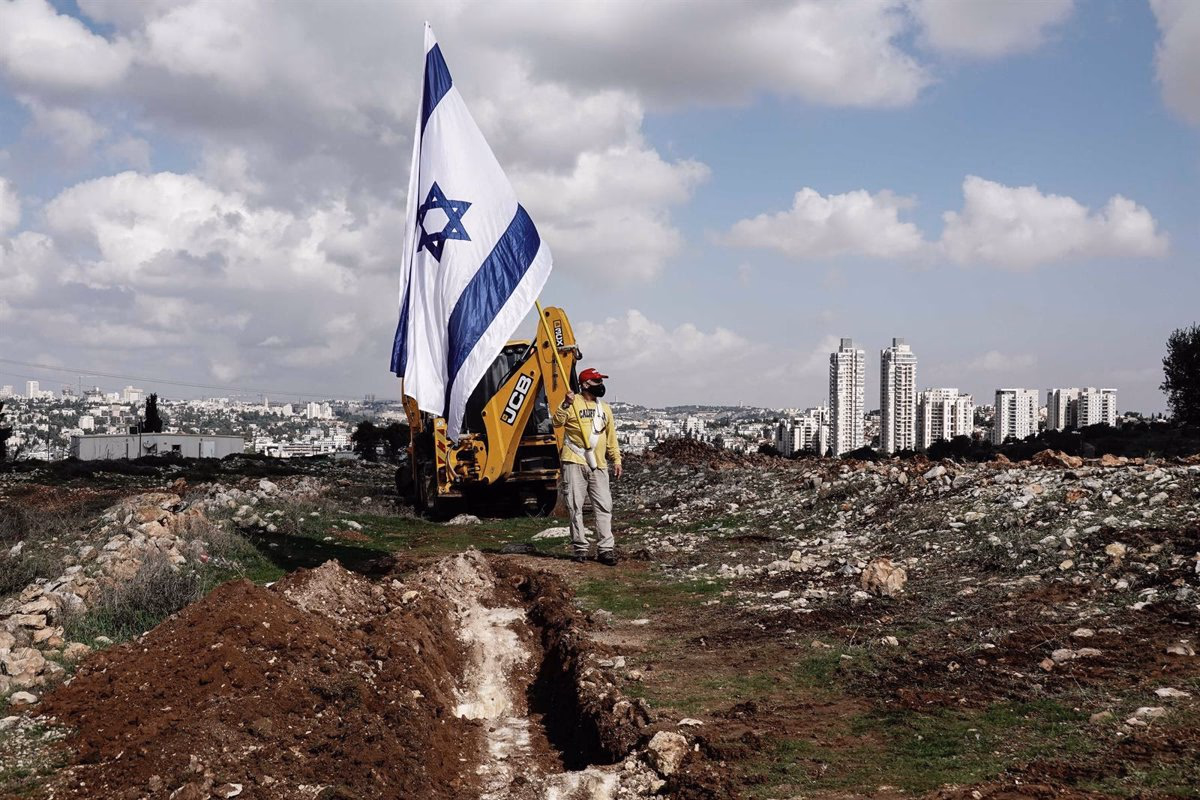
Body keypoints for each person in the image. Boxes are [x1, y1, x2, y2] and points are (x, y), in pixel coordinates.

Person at [553, 367, 622, 565]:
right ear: (585, 384)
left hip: (598, 463)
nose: (601, 385)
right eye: (597, 382)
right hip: (574, 460)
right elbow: (557, 422)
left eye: (601, 381)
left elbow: (611, 437)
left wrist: (616, 459)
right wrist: (566, 403)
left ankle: (606, 549)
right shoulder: (572, 402)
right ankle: (580, 548)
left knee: (604, 506)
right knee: (575, 505)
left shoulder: (605, 408)